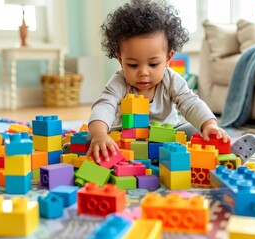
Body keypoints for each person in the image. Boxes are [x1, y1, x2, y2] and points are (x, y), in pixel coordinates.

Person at [86, 0, 229, 163]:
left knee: (194, 131)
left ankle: (225, 150)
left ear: (168, 58)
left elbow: (191, 103)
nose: (143, 73)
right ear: (120, 59)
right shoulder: (120, 81)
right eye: (132, 65)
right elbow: (105, 105)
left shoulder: (171, 79)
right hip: (126, 140)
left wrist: (209, 124)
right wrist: (99, 135)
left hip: (167, 137)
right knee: (95, 139)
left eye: (153, 64)